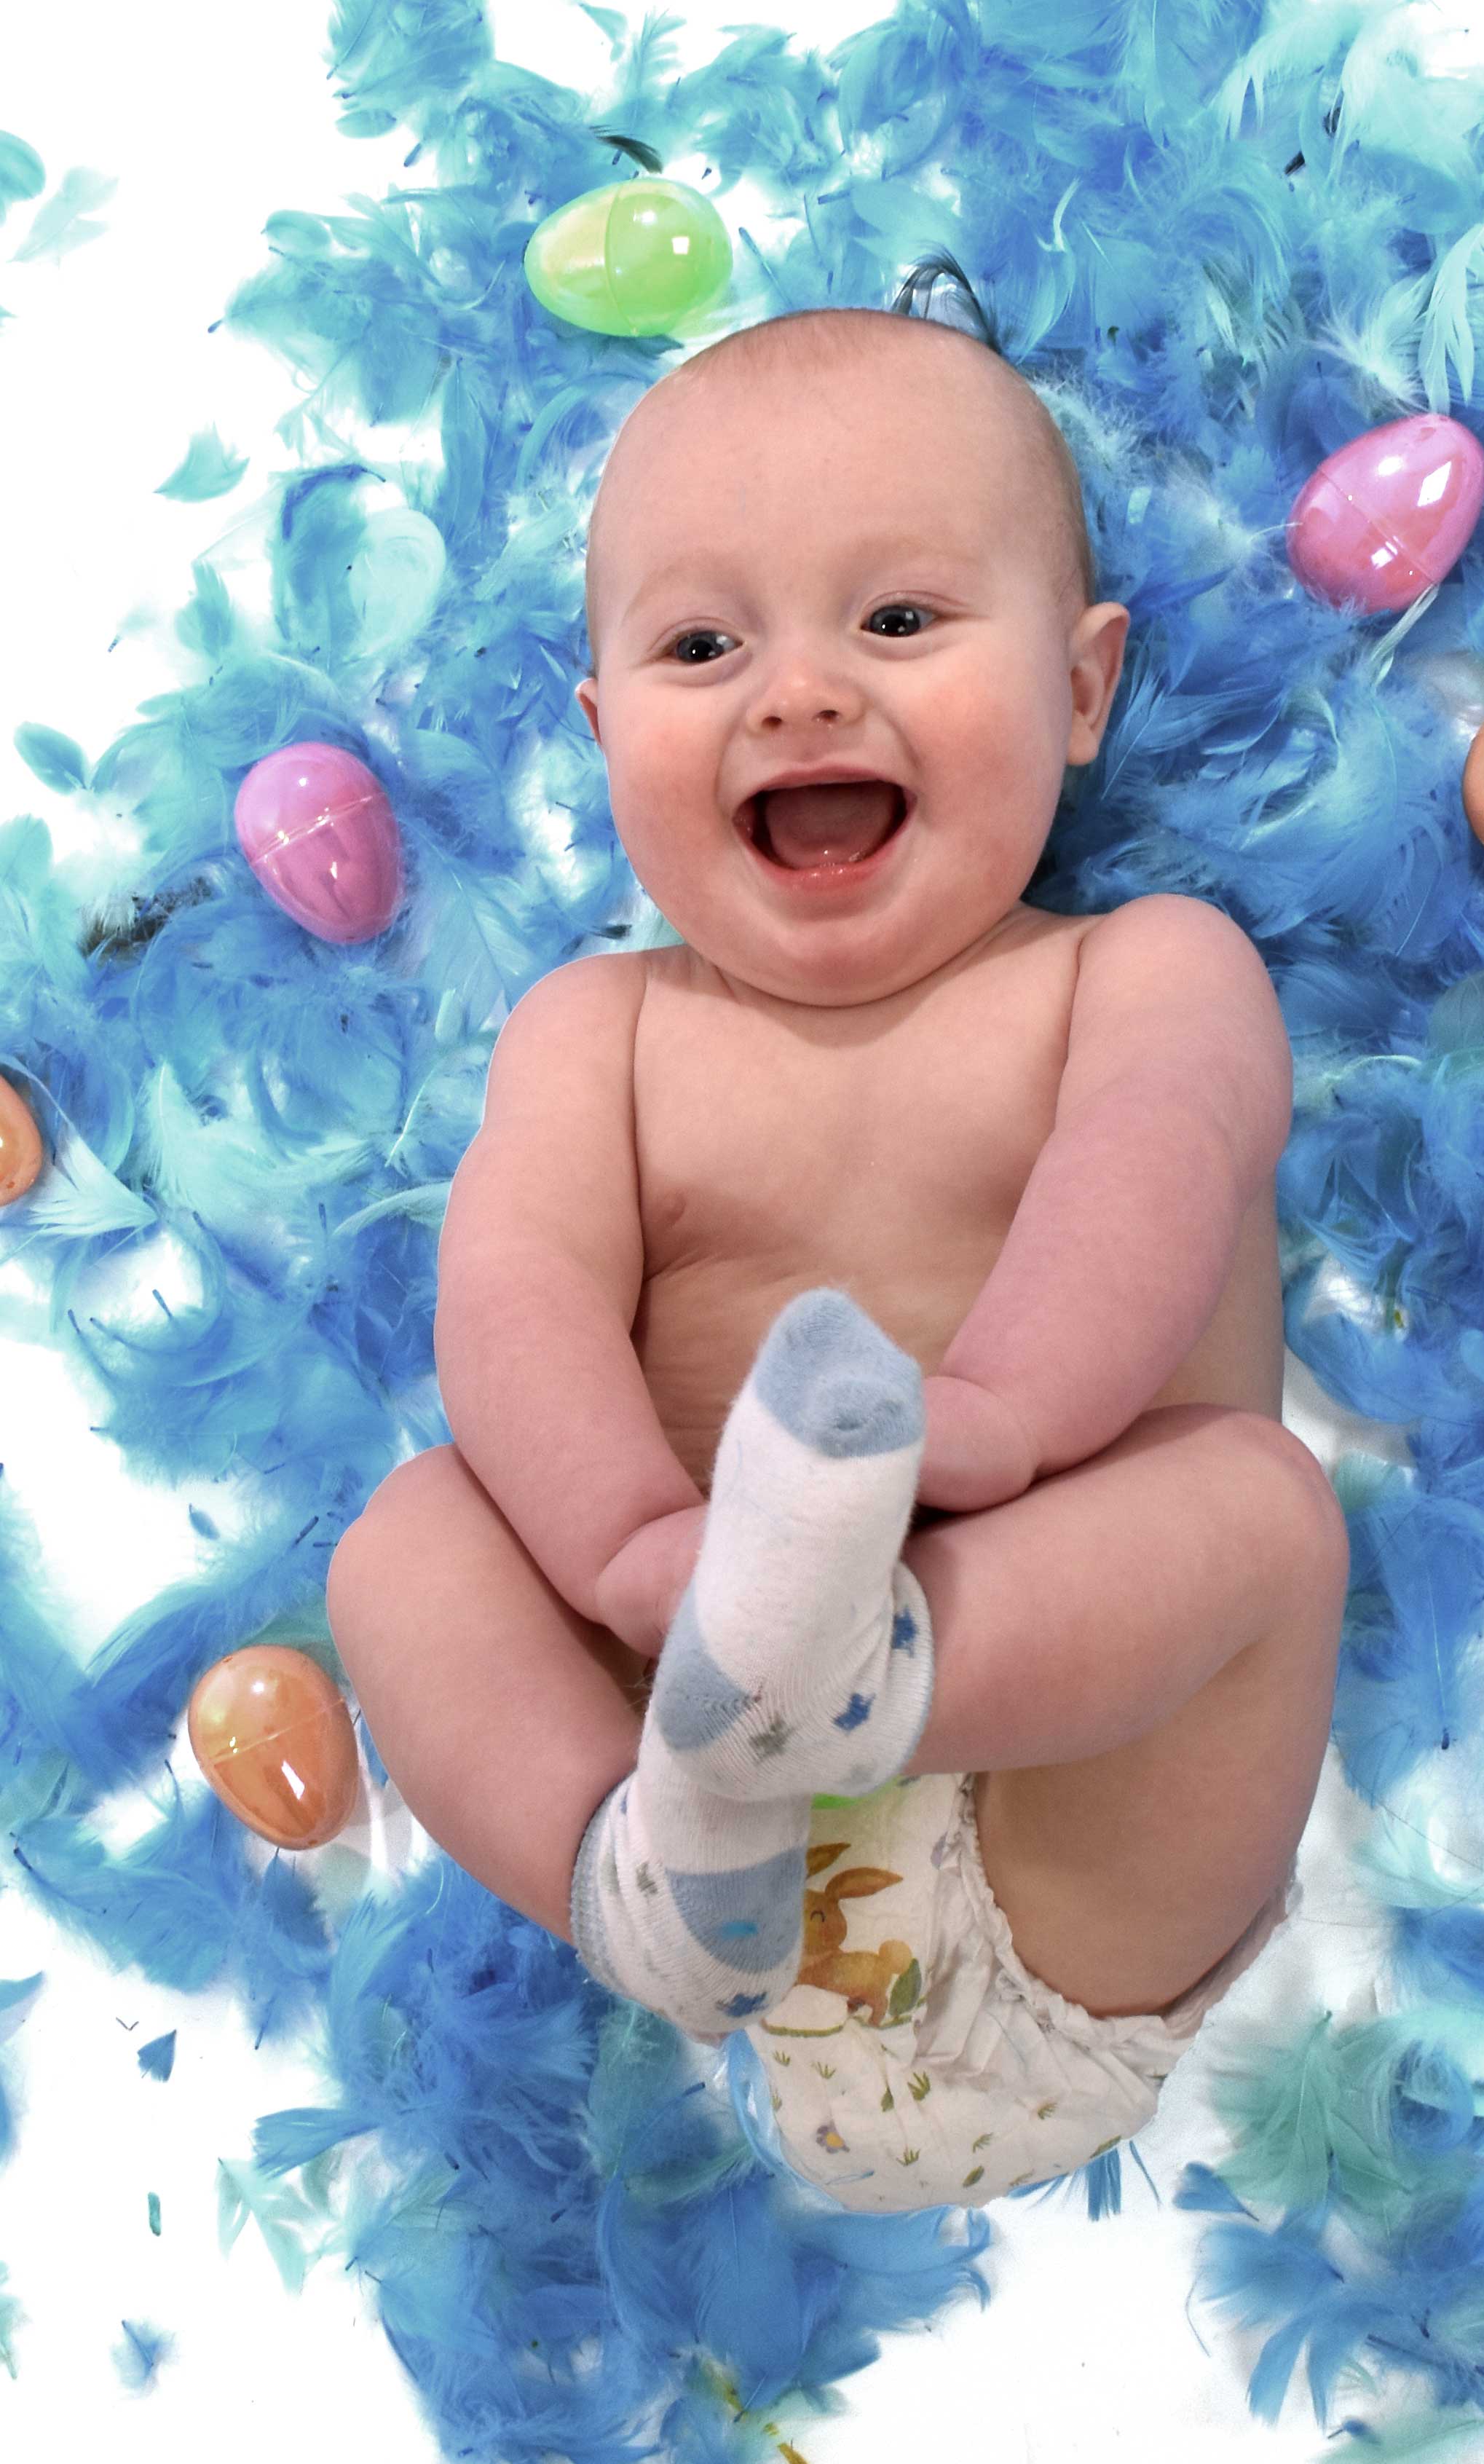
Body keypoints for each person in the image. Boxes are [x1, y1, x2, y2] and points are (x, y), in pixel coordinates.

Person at [325, 306, 1350, 2213]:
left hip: (1057, 1861)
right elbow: (517, 1289)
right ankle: (620, 1873)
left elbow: (1157, 1158)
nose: (797, 695)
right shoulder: (598, 1031)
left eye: (895, 619)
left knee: (1257, 1520)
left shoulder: (1141, 971)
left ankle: (858, 1672)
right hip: (697, 1812)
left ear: (1079, 687)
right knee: (404, 1541)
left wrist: (996, 1417)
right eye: (702, 648)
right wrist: (634, 1551)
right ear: (601, 733)